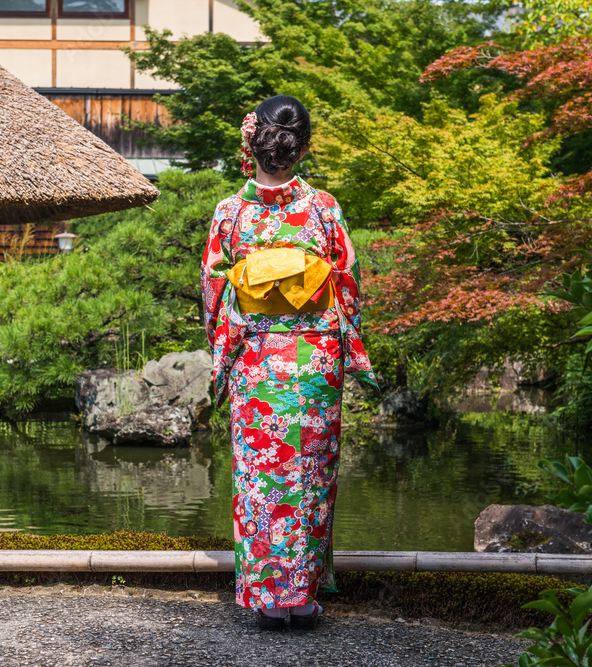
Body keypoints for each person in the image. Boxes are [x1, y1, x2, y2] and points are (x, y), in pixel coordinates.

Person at [200, 95, 379, 631]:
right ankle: (302, 594)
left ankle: (266, 596)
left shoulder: (230, 213)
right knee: (308, 473)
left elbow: (214, 289)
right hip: (315, 361)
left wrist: (225, 347)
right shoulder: (323, 207)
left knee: (259, 478)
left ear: (249, 143)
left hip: (255, 360)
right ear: (302, 149)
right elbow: (347, 282)